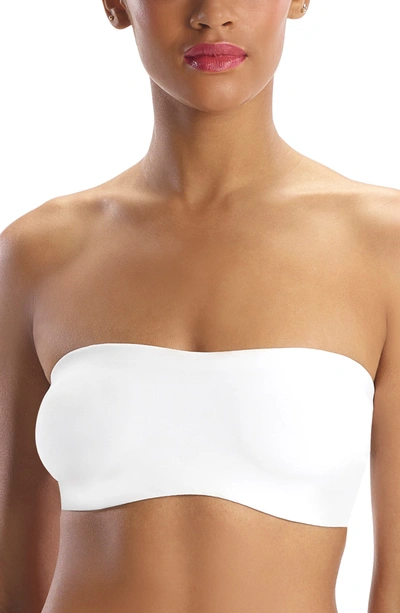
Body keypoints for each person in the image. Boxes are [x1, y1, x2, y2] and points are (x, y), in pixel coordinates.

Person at [1, 0, 400, 611]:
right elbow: (12, 571)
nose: (212, 13)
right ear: (115, 5)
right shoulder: (37, 255)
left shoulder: (383, 247)